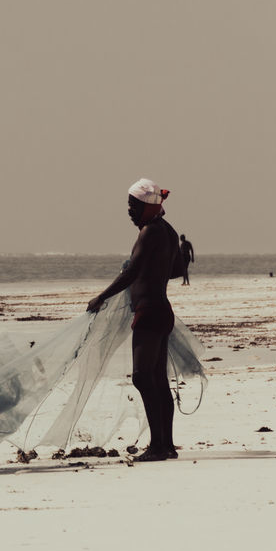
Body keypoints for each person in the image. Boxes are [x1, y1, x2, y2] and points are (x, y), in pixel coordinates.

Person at [87, 178, 185, 462]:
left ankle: (158, 446)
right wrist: (152, 273)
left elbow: (132, 273)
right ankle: (166, 445)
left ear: (146, 206)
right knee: (157, 380)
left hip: (149, 313)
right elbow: (177, 269)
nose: (129, 211)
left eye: (133, 206)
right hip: (161, 310)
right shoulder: (167, 230)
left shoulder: (150, 232)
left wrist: (102, 297)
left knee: (143, 378)